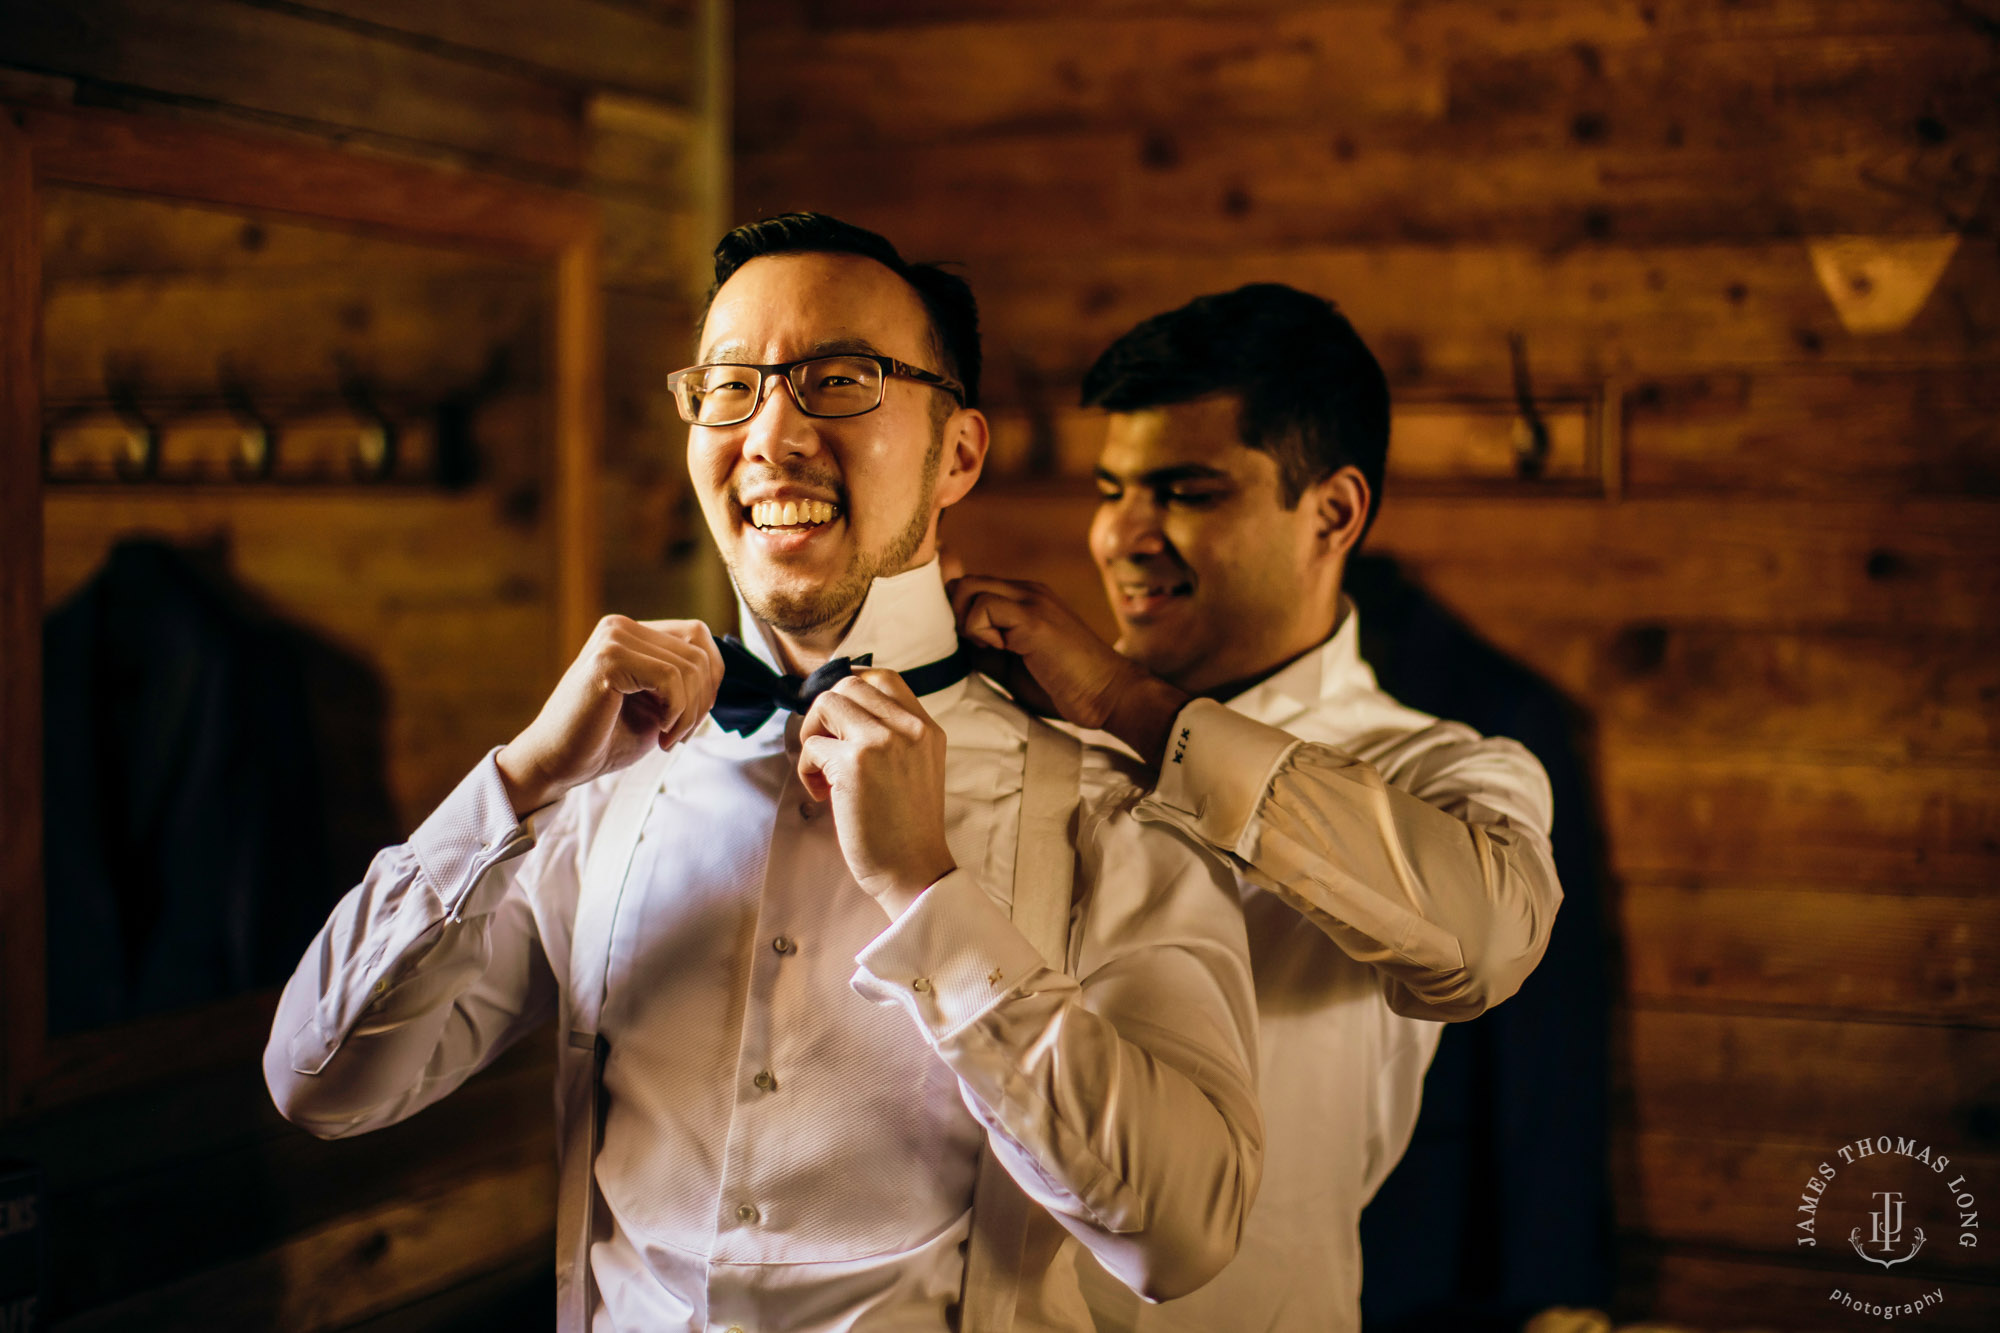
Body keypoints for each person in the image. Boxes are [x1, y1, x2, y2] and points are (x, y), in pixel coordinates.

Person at [262, 215, 1263, 1333]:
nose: (772, 435)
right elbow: (324, 1082)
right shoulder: (593, 789)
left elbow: (1184, 1235)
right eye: (729, 386)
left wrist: (931, 898)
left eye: (838, 380)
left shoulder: (1110, 815)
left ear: (958, 453)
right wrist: (520, 778)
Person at [949, 283, 1563, 1333]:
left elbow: (1484, 939)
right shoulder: (1036, 737)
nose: (1120, 535)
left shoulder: (1440, 767)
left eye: (1184, 492)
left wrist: (1127, 705)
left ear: (1331, 512)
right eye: (1111, 488)